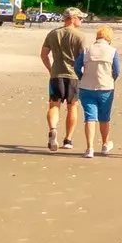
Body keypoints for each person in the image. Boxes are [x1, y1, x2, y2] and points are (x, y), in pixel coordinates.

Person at [39, 8, 87, 152]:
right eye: (80, 18)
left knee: (54, 105)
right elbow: (83, 58)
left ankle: (53, 129)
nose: (81, 20)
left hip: (56, 74)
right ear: (72, 18)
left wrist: (50, 69)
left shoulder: (53, 34)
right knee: (72, 107)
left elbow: (43, 55)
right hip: (73, 76)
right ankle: (68, 139)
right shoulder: (80, 36)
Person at [77, 26, 120, 158]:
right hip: (105, 87)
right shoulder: (112, 51)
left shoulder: (86, 50)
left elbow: (77, 67)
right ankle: (105, 144)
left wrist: (82, 77)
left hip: (86, 87)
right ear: (109, 38)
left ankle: (89, 148)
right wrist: (111, 79)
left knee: (90, 117)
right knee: (104, 117)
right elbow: (117, 71)